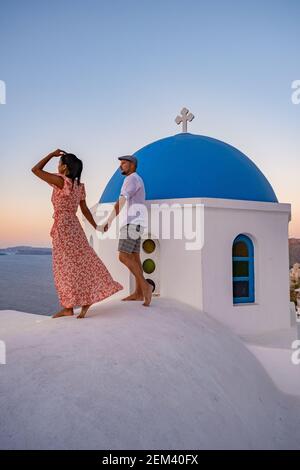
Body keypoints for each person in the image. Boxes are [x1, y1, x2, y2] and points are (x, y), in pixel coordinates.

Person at [31, 149, 123, 319]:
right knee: (83, 262)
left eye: (59, 163)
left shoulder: (60, 181)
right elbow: (85, 210)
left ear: (65, 167)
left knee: (63, 268)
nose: (57, 166)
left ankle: (68, 307)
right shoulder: (78, 186)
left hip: (63, 227)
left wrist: (51, 155)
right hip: (74, 226)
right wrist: (96, 226)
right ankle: (84, 299)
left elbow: (35, 170)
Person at [98, 154, 152, 307]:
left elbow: (122, 200)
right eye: (120, 163)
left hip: (131, 223)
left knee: (123, 256)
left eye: (124, 163)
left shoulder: (131, 179)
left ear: (132, 165)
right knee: (134, 257)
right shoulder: (138, 179)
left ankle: (145, 286)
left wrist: (108, 221)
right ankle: (139, 292)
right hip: (138, 222)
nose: (120, 166)